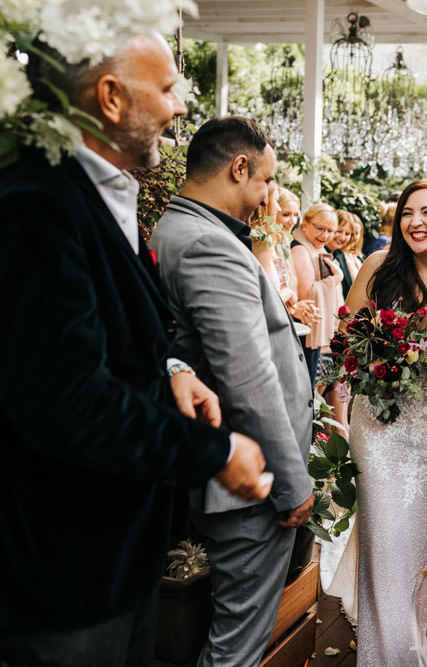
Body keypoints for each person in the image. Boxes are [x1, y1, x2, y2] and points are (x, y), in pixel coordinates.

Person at [0, 34, 269, 666]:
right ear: (112, 98)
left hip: (119, 558)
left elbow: (109, 331)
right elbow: (69, 402)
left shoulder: (106, 192)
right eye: (169, 88)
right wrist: (216, 449)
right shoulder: (35, 205)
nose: (181, 108)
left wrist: (171, 367)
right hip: (64, 572)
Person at [150, 116, 316, 666]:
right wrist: (291, 484)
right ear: (239, 167)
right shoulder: (207, 244)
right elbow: (247, 375)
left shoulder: (178, 227)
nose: (268, 197)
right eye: (266, 181)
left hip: (229, 470)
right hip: (251, 481)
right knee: (237, 644)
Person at [330, 179, 427, 666]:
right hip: (379, 430)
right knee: (386, 551)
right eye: (408, 212)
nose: (415, 222)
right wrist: (374, 360)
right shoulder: (377, 268)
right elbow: (344, 341)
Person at [291, 203, 344, 386]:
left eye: (330, 231)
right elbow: (305, 294)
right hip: (305, 327)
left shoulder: (318, 249)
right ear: (305, 223)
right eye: (319, 228)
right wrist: (336, 279)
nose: (325, 235)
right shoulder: (300, 249)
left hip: (313, 326)